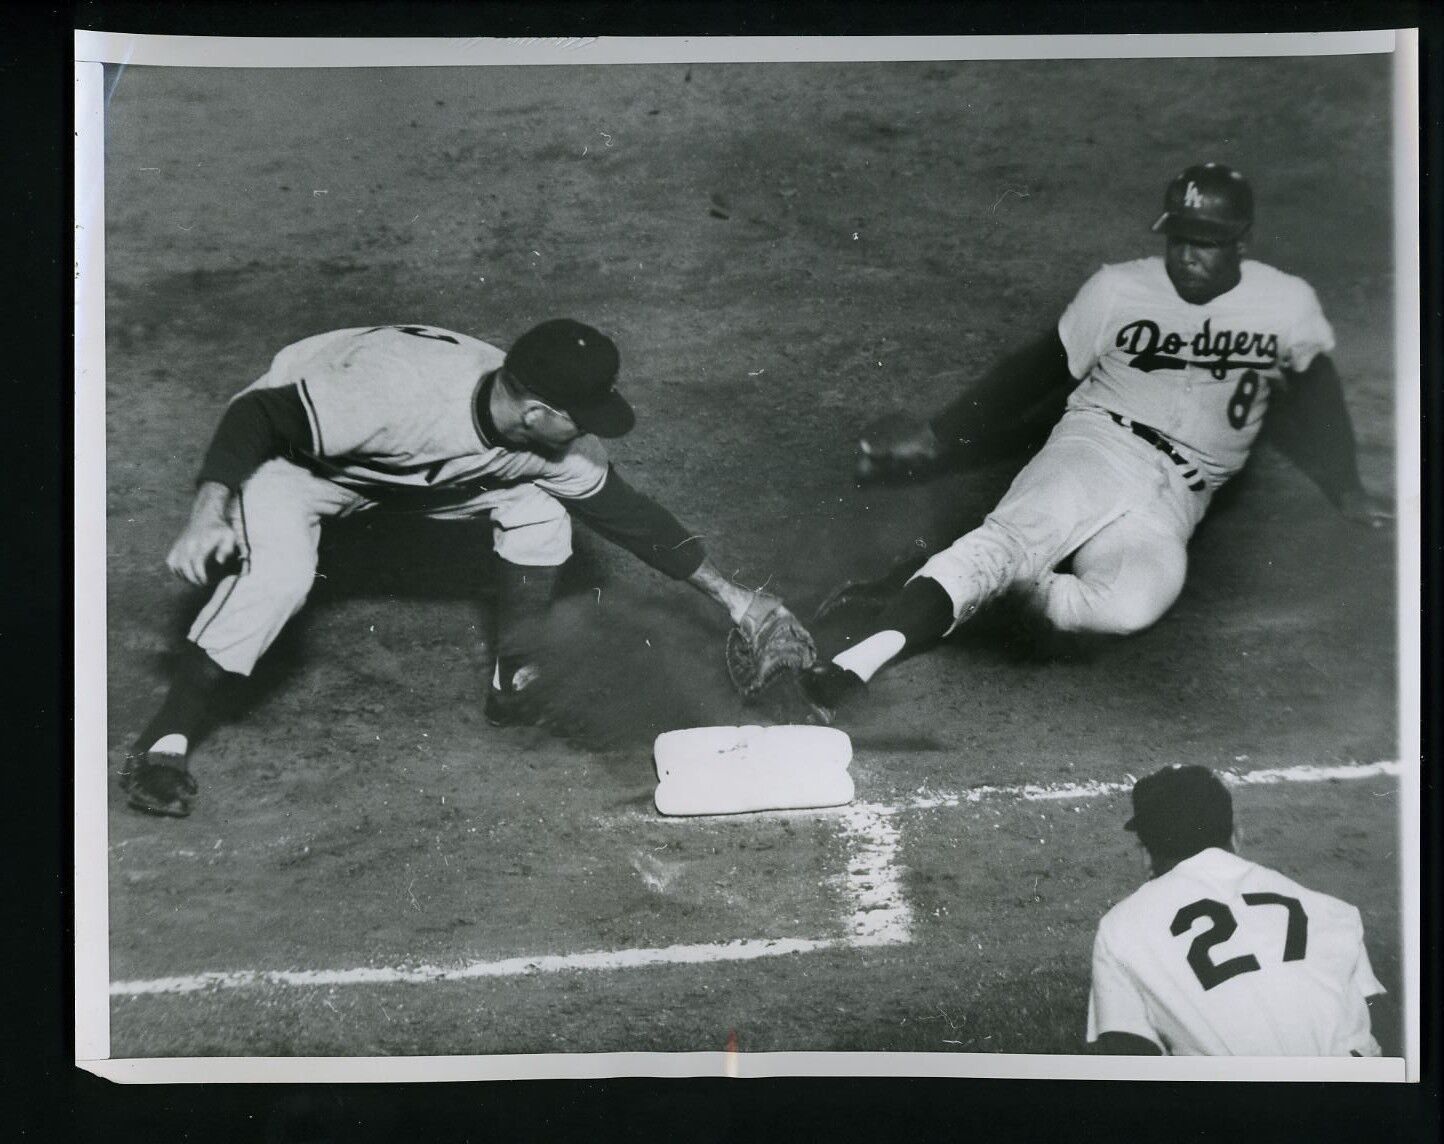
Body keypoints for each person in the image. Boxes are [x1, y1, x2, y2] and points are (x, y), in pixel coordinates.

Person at [120, 318, 809, 817]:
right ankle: (164, 741)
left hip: (420, 475)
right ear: (538, 410)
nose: (591, 429)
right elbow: (258, 418)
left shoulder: (548, 443)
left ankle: (517, 671)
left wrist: (735, 597)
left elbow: (632, 517)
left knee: (542, 511)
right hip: (301, 463)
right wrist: (209, 512)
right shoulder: (391, 395)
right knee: (279, 579)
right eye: (582, 415)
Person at [792, 163, 1392, 724]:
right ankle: (855, 666)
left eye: (1205, 242)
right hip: (1099, 446)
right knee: (1000, 548)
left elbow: (1318, 394)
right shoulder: (1118, 290)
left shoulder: (1286, 305)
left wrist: (1347, 487)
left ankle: (990, 580)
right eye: (1178, 238)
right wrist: (942, 434)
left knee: (1127, 606)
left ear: (1242, 241)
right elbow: (1034, 371)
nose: (1187, 255)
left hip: (1175, 503)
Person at [1086, 764, 1386, 1056]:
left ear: (1146, 857)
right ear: (1236, 837)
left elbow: (1129, 1052)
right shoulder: (1331, 910)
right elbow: (1379, 1019)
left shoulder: (1121, 928)